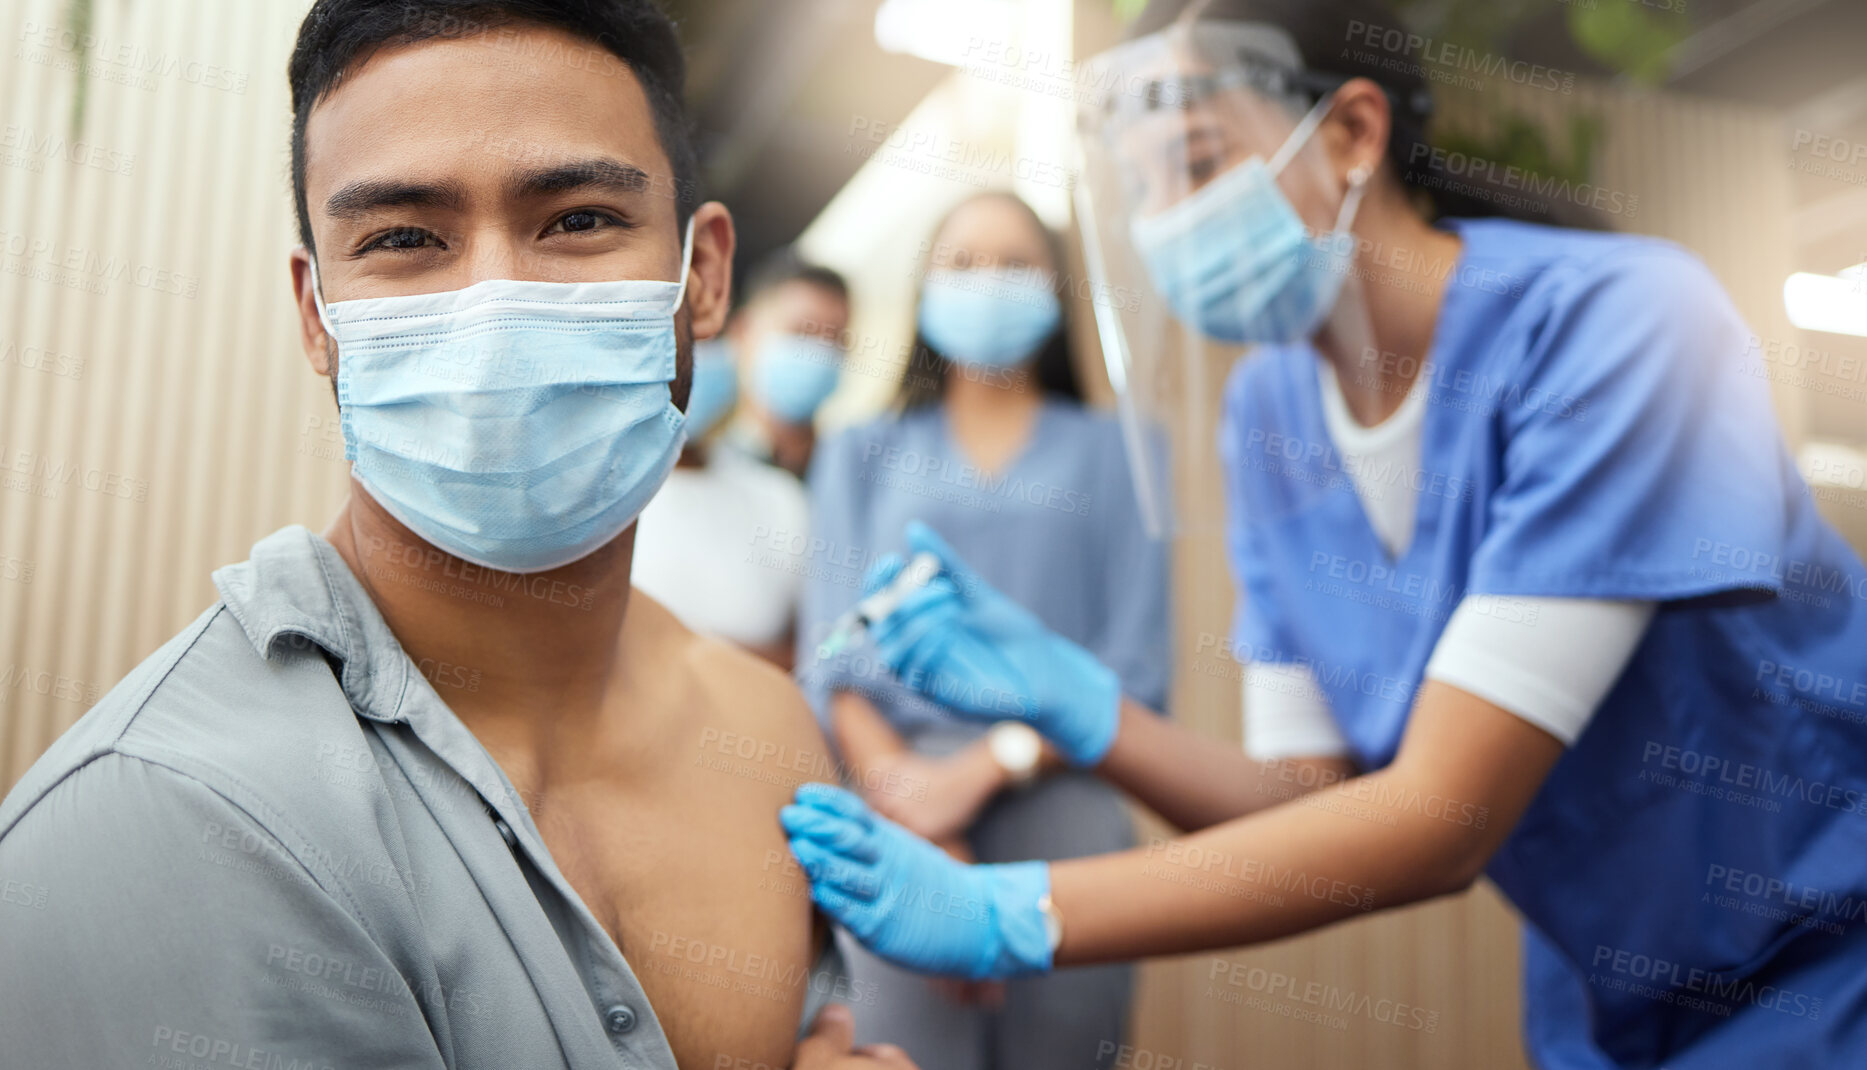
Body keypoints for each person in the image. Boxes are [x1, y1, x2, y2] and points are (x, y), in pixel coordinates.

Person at [782, 2, 1867, 1068]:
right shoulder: (1272, 414)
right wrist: (1083, 704)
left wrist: (1006, 911)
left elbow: (1439, 815)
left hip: (1828, 951)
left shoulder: (1621, 324)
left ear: (1351, 132)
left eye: (1200, 164)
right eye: (1143, 185)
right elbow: (1300, 801)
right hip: (1607, 994)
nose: (1166, 221)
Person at [0, 4, 917, 1069]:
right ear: (316, 315)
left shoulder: (765, 738)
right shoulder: (165, 821)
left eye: (575, 219)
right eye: (401, 238)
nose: (495, 309)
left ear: (702, 275)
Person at [797, 190, 1170, 1068]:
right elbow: (831, 656)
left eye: (1014, 263)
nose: (987, 283)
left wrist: (982, 769)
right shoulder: (860, 450)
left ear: (1055, 289)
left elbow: (1136, 665)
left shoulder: (1122, 452)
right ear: (924, 291)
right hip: (893, 806)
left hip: (1065, 799)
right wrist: (917, 804)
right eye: (962, 264)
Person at [633, 334, 811, 667]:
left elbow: (813, 649)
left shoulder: (779, 496)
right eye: (685, 335)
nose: (696, 357)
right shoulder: (603, 500)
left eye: (711, 340)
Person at [723, 252, 853, 478]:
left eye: (835, 338)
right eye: (801, 332)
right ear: (743, 331)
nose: (819, 352)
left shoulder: (847, 469)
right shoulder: (703, 461)